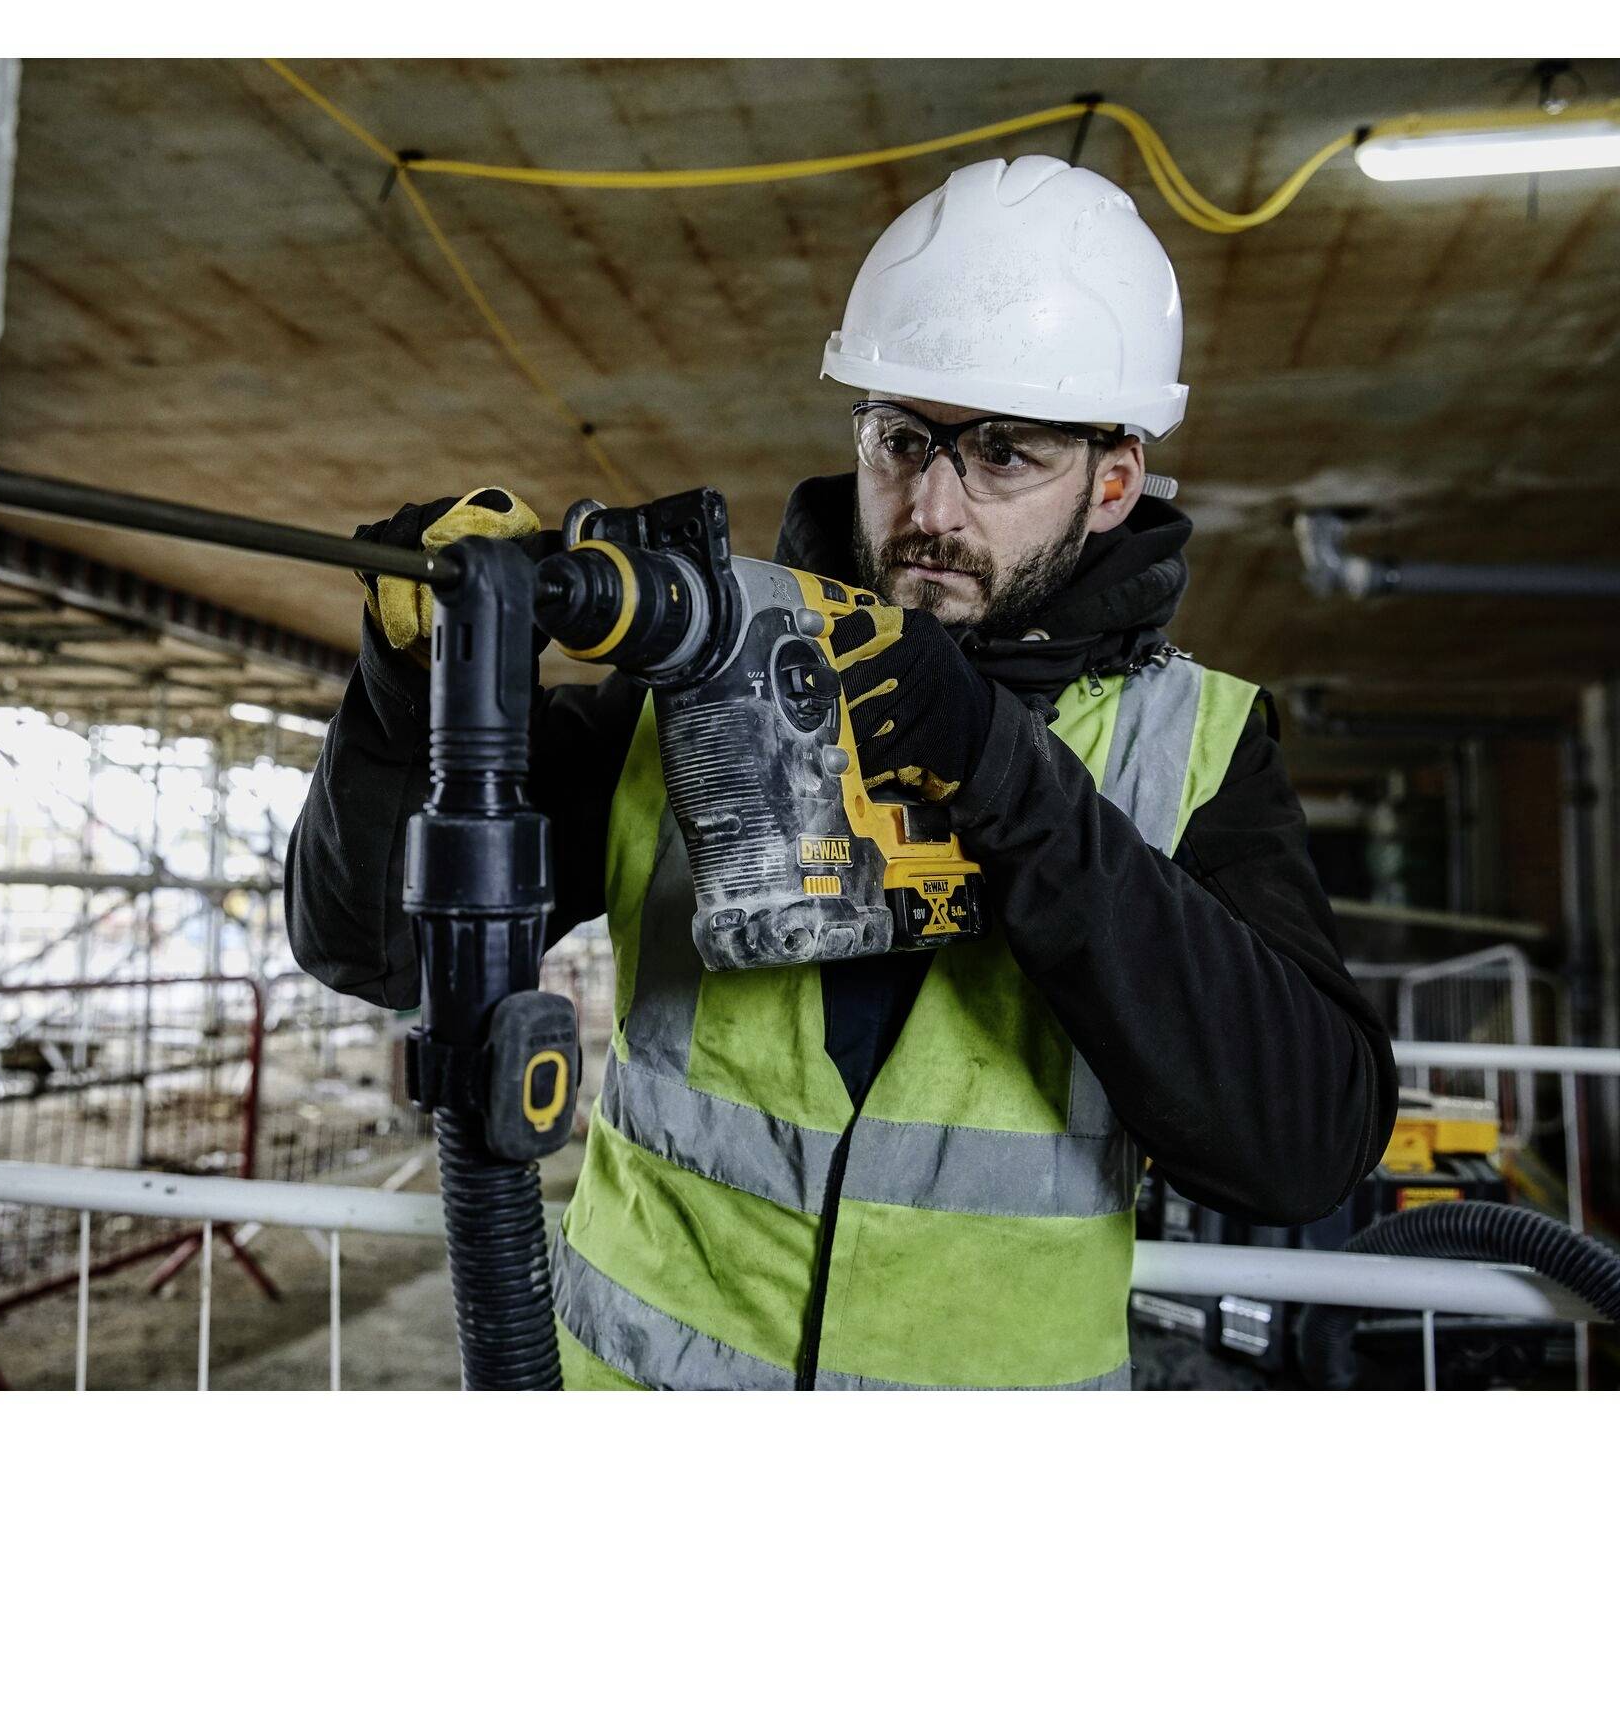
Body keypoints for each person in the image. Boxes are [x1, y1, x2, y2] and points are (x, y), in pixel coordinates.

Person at [286, 154, 1397, 1391]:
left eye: (1005, 455)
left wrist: (1001, 771)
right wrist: (406, 690)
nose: (929, 504)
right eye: (900, 439)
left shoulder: (1191, 746)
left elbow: (1303, 1143)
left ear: (1112, 483)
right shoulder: (702, 676)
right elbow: (368, 945)